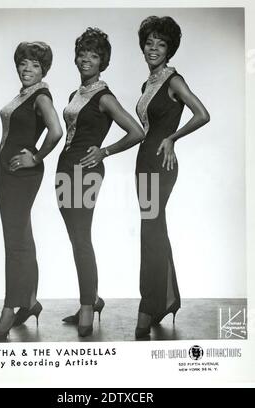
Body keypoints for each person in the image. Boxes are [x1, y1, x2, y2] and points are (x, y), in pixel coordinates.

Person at [56, 27, 144, 337]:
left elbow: (136, 131)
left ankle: (86, 307)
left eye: (93, 55)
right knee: (75, 237)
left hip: (87, 172)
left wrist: (104, 151)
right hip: (64, 169)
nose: (86, 60)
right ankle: (92, 298)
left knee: (82, 238)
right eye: (82, 54)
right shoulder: (74, 95)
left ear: (101, 61)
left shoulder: (104, 96)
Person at [135, 16, 210, 339]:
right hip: (143, 164)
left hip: (159, 165)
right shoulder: (148, 83)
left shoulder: (173, 80)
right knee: (152, 230)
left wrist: (172, 138)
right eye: (149, 43)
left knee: (150, 232)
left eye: (160, 44)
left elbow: (202, 113)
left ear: (169, 49)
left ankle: (147, 307)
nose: (153, 49)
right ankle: (165, 299)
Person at [0, 41, 63, 342]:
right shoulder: (24, 94)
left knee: (15, 242)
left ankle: (10, 308)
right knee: (22, 237)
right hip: (7, 172)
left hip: (22, 173)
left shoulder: (41, 95)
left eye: (34, 64)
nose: (27, 69)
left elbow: (56, 131)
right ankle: (30, 302)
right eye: (23, 63)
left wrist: (36, 156)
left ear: (43, 69)